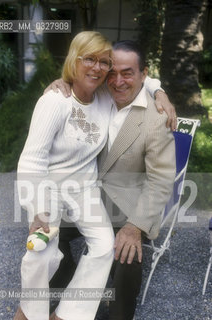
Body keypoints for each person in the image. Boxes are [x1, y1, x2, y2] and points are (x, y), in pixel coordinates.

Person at [46, 40, 176, 320]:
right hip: (86, 194)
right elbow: (81, 80)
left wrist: (134, 226)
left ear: (143, 75)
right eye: (112, 72)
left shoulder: (156, 120)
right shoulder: (100, 95)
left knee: (128, 255)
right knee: (49, 235)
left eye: (128, 73)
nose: (118, 81)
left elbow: (162, 181)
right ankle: (58, 290)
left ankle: (118, 314)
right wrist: (60, 83)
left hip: (125, 202)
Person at [14, 31, 116, 320]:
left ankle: (68, 314)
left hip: (84, 189)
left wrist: (160, 93)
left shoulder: (106, 98)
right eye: (90, 59)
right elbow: (32, 158)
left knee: (104, 246)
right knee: (41, 254)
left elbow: (143, 82)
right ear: (74, 59)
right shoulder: (54, 102)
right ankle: (30, 313)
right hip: (49, 188)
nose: (97, 67)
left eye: (104, 62)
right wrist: (38, 210)